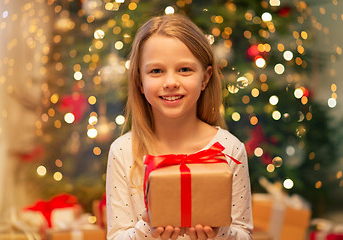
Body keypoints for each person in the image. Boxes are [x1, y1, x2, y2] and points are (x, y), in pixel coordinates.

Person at [106, 13, 253, 240]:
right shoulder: (123, 152)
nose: (171, 82)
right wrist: (148, 231)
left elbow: (244, 234)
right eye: (156, 71)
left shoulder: (229, 149)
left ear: (205, 78)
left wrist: (219, 232)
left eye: (184, 69)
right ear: (140, 82)